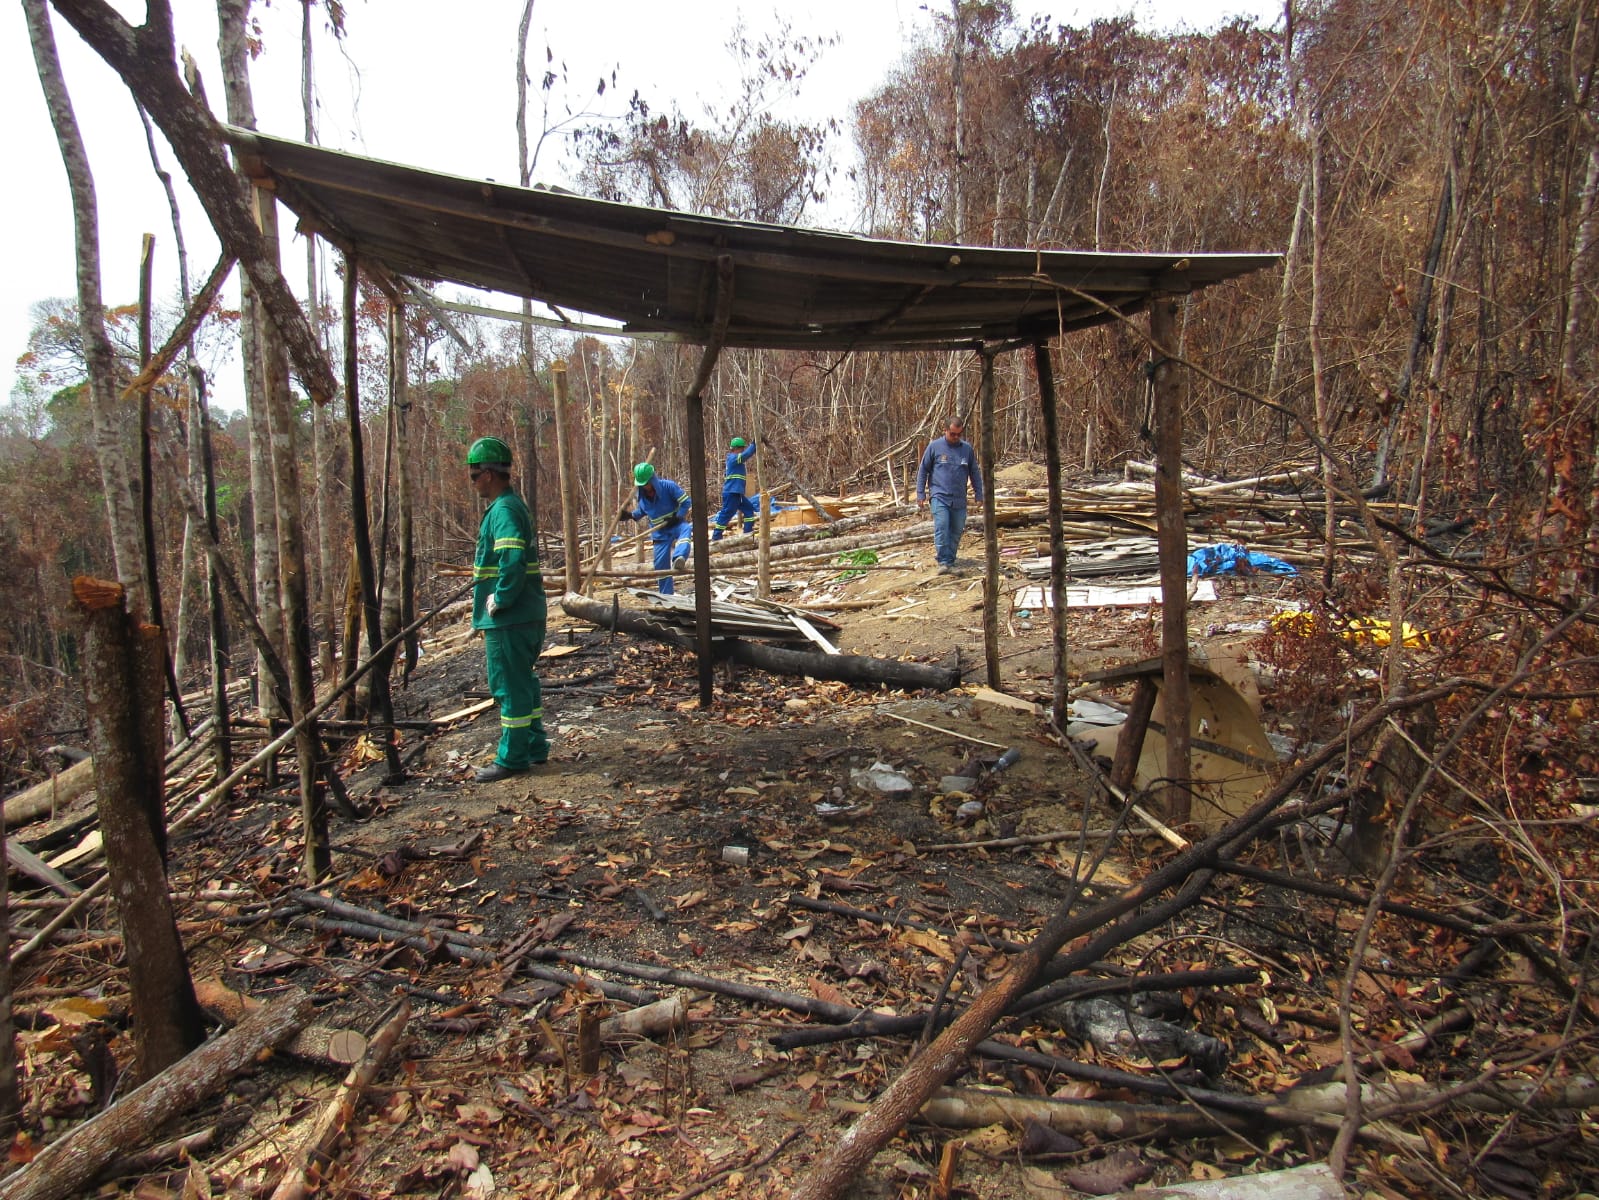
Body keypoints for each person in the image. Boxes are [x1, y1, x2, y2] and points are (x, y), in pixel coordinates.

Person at [466, 436, 550, 782]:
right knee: (523, 682)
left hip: (511, 618)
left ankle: (512, 758)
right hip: (522, 614)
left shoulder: (502, 510)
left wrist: (500, 598)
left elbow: (512, 558)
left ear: (488, 474)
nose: (472, 481)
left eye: (474, 474)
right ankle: (533, 745)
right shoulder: (509, 507)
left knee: (508, 687)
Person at [916, 418, 984, 575]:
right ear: (945, 430)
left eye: (958, 435)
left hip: (959, 498)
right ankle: (943, 561)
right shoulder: (935, 447)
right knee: (942, 525)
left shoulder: (966, 450)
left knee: (957, 529)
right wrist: (921, 493)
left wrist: (978, 493)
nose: (955, 437)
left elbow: (974, 472)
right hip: (939, 495)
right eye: (952, 434)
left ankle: (951, 560)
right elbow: (923, 470)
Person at [618, 462, 691, 594]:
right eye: (642, 484)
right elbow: (642, 511)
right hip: (659, 533)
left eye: (647, 483)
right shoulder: (641, 496)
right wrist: (629, 515)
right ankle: (666, 596)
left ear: (653, 479)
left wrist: (678, 517)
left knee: (686, 529)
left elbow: (686, 502)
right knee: (661, 567)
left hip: (675, 525)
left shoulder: (669, 486)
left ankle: (679, 557)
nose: (646, 487)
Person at [712, 436, 758, 541]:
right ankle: (716, 536)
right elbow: (746, 455)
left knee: (749, 510)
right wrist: (754, 444)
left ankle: (748, 534)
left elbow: (745, 455)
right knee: (727, 513)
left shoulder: (736, 461)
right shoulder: (733, 458)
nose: (742, 450)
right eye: (741, 448)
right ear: (736, 448)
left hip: (737, 493)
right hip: (732, 493)